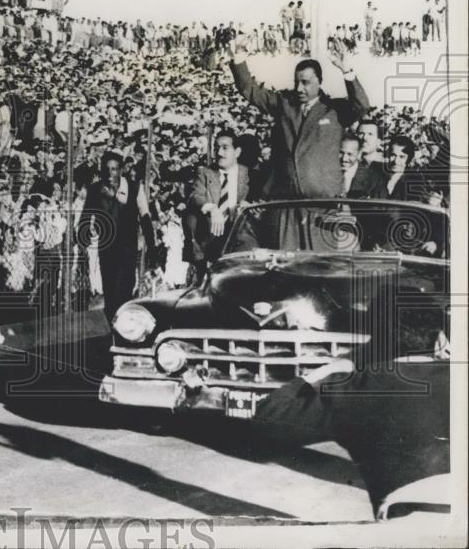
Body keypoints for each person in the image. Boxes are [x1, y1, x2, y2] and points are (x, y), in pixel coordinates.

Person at [253, 306, 450, 520]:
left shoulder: (355, 387)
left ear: (376, 344)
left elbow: (268, 416)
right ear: (440, 342)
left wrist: (329, 369)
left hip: (405, 526)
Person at [228, 36, 370, 199]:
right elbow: (251, 91)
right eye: (297, 82)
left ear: (319, 81)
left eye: (305, 82)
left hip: (323, 198)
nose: (299, 88)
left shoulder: (334, 110)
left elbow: (362, 106)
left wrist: (347, 71)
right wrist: (239, 57)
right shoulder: (285, 104)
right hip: (286, 197)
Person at [78, 151, 153, 325]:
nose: (110, 173)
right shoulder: (95, 189)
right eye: (106, 169)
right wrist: (84, 234)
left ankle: (125, 331)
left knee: (125, 291)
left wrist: (152, 244)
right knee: (110, 294)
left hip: (127, 249)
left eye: (114, 169)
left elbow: (145, 216)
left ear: (120, 171)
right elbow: (86, 217)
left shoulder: (134, 188)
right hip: (107, 248)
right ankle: (112, 333)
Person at [185, 129, 249, 278]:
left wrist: (248, 207)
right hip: (211, 239)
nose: (219, 153)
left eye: (225, 148)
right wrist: (212, 208)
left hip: (240, 243)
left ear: (237, 152)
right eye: (216, 148)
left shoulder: (250, 175)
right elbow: (195, 196)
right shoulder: (205, 173)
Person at [339, 132, 385, 199]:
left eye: (349, 154)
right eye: (341, 153)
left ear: (359, 153)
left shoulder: (374, 180)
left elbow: (379, 207)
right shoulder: (326, 174)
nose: (344, 159)